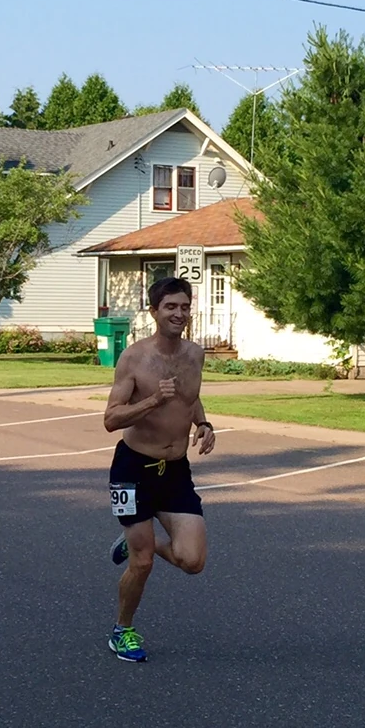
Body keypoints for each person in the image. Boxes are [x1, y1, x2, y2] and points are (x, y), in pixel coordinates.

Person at [102, 276, 216, 661]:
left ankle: (133, 539)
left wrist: (203, 424)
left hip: (176, 470)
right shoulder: (134, 358)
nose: (179, 314)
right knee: (144, 561)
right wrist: (151, 401)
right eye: (171, 307)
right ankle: (123, 630)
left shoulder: (195, 355)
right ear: (154, 311)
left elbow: (190, 398)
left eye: (184, 307)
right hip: (133, 468)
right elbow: (111, 419)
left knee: (192, 561)